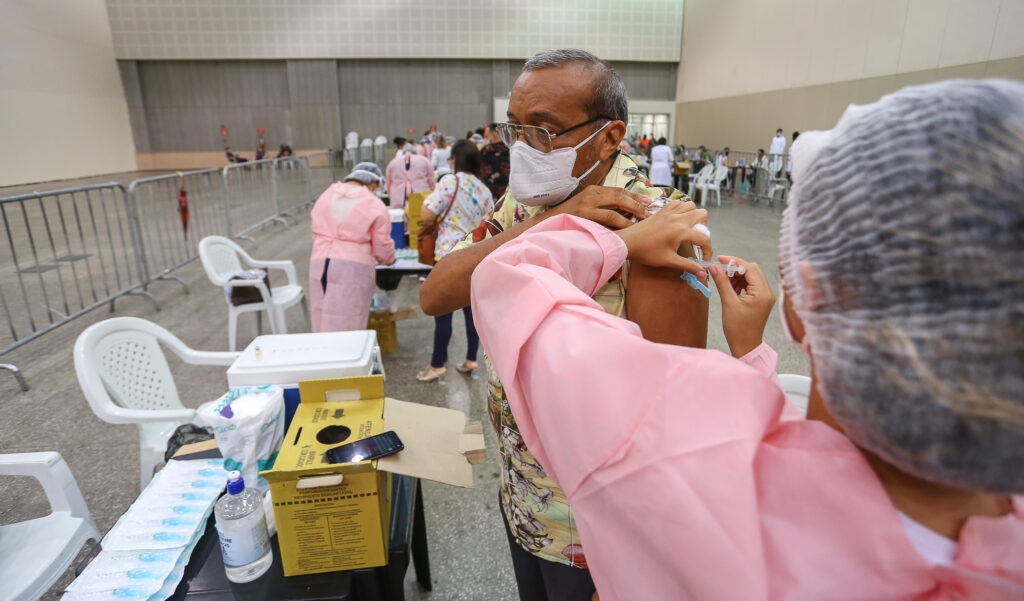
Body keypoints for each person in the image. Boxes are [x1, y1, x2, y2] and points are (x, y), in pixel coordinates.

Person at [470, 79, 1024, 600]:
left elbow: (507, 284)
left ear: (803, 308)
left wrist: (615, 242)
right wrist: (753, 359)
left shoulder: (672, 451)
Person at [420, 48, 709, 601]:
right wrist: (552, 225)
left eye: (546, 132)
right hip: (525, 500)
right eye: (516, 129)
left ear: (608, 137)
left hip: (596, 535)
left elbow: (673, 416)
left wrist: (641, 560)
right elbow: (436, 291)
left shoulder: (657, 222)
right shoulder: (528, 205)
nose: (524, 149)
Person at [416, 140, 495, 382]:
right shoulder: (484, 190)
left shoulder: (450, 182)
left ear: (453, 160)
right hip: (475, 257)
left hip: (448, 257)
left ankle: (437, 364)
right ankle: (472, 359)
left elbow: (426, 214)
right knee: (471, 313)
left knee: (443, 314)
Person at [308, 162, 395, 333]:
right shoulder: (373, 203)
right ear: (372, 183)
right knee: (349, 321)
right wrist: (389, 258)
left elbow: (315, 227)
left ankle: (324, 355)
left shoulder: (326, 195)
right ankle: (347, 357)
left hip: (319, 263)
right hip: (352, 268)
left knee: (321, 315)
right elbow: (382, 246)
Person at [385, 140, 435, 209]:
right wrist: (432, 193)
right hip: (421, 196)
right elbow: (431, 180)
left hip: (398, 197)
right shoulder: (425, 161)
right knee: (418, 217)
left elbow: (388, 182)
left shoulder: (393, 162)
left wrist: (391, 196)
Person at [479, 123, 510, 198]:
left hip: (489, 196)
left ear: (494, 137)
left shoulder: (486, 150)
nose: (484, 139)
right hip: (509, 197)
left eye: (486, 136)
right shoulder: (513, 150)